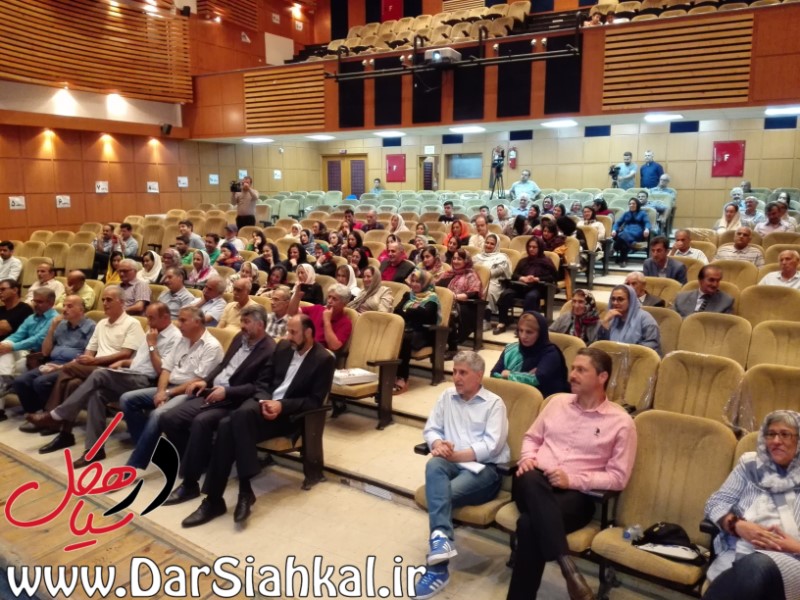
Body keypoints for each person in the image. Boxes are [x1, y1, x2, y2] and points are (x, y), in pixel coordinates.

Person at [178, 313, 335, 527]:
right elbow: (263, 382)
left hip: (288, 417)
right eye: (287, 331)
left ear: (308, 333)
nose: (287, 336)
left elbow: (315, 401)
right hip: (262, 405)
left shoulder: (323, 359)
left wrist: (281, 406)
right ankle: (235, 494)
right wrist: (264, 401)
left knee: (228, 425)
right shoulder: (283, 348)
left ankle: (221, 499)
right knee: (235, 420)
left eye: (293, 332)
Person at [507, 347, 637, 600]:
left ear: (602, 377)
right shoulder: (556, 403)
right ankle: (568, 567)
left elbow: (618, 477)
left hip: (575, 497)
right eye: (573, 368)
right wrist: (527, 458)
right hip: (533, 483)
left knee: (529, 525)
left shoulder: (621, 423)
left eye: (581, 370)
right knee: (531, 477)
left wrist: (573, 480)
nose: (572, 375)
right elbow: (532, 438)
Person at [26, 302, 181, 465]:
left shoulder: (174, 337)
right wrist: (124, 363)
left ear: (165, 317)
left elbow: (161, 370)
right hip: (131, 374)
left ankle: (58, 415)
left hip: (147, 381)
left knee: (98, 373)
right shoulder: (152, 331)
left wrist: (152, 345)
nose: (148, 322)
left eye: (151, 318)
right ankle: (94, 450)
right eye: (147, 317)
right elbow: (139, 361)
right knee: (97, 395)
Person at [159, 305, 277, 510]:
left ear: (260, 325)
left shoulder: (269, 350)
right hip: (213, 392)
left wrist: (227, 392)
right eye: (242, 321)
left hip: (234, 401)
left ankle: (190, 483)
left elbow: (258, 387)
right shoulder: (240, 338)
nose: (242, 326)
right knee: (169, 418)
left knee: (201, 421)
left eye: (247, 322)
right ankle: (201, 459)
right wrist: (205, 381)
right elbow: (222, 366)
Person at [413, 351, 510, 599]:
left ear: (478, 375)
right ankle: (441, 545)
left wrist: (456, 455)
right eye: (455, 371)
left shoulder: (494, 404)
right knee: (434, 465)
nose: (456, 377)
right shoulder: (446, 396)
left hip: (485, 470)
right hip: (451, 463)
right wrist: (438, 444)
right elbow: (431, 429)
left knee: (441, 495)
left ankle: (437, 569)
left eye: (463, 372)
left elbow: (492, 447)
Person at [703, 410, 800, 600]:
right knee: (750, 572)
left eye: (785, 434)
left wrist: (793, 546)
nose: (776, 441)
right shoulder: (750, 465)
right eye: (771, 434)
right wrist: (738, 525)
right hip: (738, 552)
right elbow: (715, 503)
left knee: (757, 566)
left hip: (792, 562)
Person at [36, 286, 144, 451]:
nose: (105, 303)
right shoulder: (101, 323)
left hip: (117, 372)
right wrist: (85, 360)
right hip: (96, 368)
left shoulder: (132, 323)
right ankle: (65, 434)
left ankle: (52, 415)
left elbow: (126, 354)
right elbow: (90, 350)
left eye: (109, 300)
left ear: (122, 302)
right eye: (103, 299)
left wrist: (92, 361)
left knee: (69, 368)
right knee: (72, 383)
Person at [121, 305, 224, 470]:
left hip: (191, 393)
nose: (178, 324)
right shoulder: (181, 340)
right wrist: (162, 391)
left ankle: (134, 465)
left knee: (157, 414)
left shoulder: (212, 346)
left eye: (183, 320)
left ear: (197, 322)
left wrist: (168, 393)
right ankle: (146, 445)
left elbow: (198, 380)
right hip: (170, 387)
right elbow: (166, 369)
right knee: (127, 399)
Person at [13, 295, 95, 424]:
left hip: (72, 367)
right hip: (53, 362)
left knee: (41, 382)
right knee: (20, 381)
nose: (64, 309)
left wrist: (61, 367)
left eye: (69, 306)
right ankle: (36, 413)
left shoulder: (91, 327)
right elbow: (45, 352)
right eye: (64, 305)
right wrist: (52, 328)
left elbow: (87, 356)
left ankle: (50, 417)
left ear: (81, 309)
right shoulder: (61, 324)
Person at [0, 288, 58, 418]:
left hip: (41, 357)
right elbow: (17, 335)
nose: (35, 304)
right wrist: (4, 344)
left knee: (5, 358)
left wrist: (11, 346)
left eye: (40, 302)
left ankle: (1, 404)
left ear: (51, 303)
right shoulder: (31, 318)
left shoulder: (54, 319)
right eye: (34, 301)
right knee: (4, 355)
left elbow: (38, 339)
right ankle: (3, 390)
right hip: (26, 353)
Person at [492, 311, 569, 397]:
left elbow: (537, 379)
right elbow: (494, 374)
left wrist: (509, 374)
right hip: (510, 396)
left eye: (529, 332)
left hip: (543, 400)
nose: (523, 336)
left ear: (540, 333)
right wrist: (526, 376)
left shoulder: (551, 353)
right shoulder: (511, 349)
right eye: (521, 330)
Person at [494, 237, 557, 335]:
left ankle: (524, 325)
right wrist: (522, 278)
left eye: (534, 247)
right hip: (521, 287)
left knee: (531, 297)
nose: (531, 249)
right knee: (506, 294)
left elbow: (552, 277)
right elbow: (514, 275)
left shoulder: (546, 262)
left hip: (537, 288)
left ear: (540, 248)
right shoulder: (523, 261)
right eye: (529, 247)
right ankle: (502, 322)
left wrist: (537, 279)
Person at [393, 269, 440, 394]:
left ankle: (402, 377)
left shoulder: (432, 298)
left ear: (425, 283)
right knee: (391, 336)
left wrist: (407, 312)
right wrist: (413, 311)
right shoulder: (408, 295)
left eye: (418, 282)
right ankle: (389, 374)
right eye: (412, 281)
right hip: (406, 329)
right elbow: (396, 311)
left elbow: (425, 315)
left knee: (404, 339)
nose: (413, 284)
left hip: (423, 333)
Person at [438, 249, 483, 358]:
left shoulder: (471, 275)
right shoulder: (448, 273)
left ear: (466, 261)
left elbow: (471, 294)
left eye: (459, 259)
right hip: (447, 302)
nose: (455, 261)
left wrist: (453, 297)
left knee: (448, 315)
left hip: (465, 305)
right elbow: (437, 286)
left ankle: (453, 348)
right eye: (454, 258)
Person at [288, 282, 352, 352]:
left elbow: (334, 346)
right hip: (301, 347)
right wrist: (297, 296)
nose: (329, 301)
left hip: (319, 353)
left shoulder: (345, 322)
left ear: (344, 304)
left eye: (334, 299)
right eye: (329, 297)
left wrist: (327, 321)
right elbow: (292, 313)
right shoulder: (318, 309)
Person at [598, 284, 661, 354]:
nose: (615, 303)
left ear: (631, 301)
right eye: (613, 299)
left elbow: (651, 347)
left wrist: (624, 353)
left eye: (620, 299)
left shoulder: (645, 319)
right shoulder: (612, 318)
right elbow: (602, 347)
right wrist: (605, 323)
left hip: (638, 359)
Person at [472, 234, 511, 326]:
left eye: (492, 244)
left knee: (487, 291)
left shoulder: (501, 258)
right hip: (476, 280)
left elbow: (494, 273)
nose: (488, 245)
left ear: (496, 245)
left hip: (494, 282)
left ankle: (486, 320)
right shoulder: (476, 257)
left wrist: (481, 275)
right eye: (487, 242)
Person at [611, 198, 650, 267]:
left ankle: (615, 247)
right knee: (623, 240)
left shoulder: (643, 213)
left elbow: (647, 222)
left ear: (637, 205)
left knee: (621, 235)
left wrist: (647, 229)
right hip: (626, 231)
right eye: (630, 204)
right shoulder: (626, 214)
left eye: (633, 204)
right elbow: (618, 223)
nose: (631, 205)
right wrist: (614, 230)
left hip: (637, 232)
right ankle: (623, 260)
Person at [0, 279, 33, 344]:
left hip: (14, 346)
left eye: (3, 289)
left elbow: (3, 329)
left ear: (15, 290)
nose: (0, 292)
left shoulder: (24, 308)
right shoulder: (1, 309)